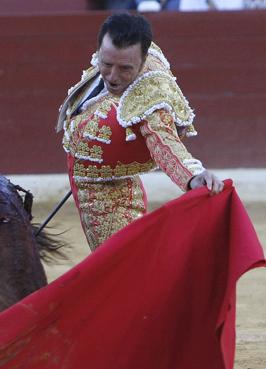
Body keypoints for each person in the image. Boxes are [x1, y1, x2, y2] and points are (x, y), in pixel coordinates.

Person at [56, 12, 223, 250]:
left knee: (121, 266)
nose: (113, 76)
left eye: (125, 68)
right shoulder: (121, 53)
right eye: (106, 64)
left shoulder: (151, 91)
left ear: (143, 60)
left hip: (110, 194)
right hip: (92, 178)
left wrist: (193, 175)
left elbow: (162, 138)